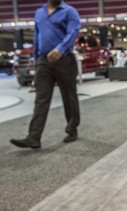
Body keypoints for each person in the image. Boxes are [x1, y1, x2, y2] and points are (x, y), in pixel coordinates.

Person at [10, 0, 81, 149]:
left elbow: (73, 32)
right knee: (41, 98)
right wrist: (36, 58)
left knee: (69, 96)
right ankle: (34, 137)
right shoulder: (39, 13)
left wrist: (60, 49)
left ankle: (72, 129)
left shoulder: (69, 11)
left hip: (64, 60)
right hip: (43, 61)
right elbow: (37, 35)